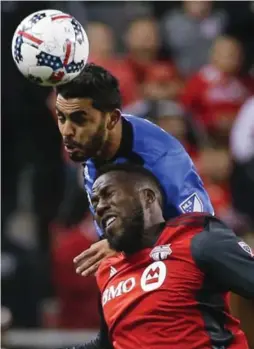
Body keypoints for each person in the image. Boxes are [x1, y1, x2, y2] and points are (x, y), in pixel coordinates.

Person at [63, 163, 254, 349]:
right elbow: (108, 342)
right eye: (94, 202)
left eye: (109, 194)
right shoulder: (107, 271)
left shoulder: (197, 240)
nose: (100, 207)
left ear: (147, 197)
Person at [55, 63, 214, 277]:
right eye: (61, 118)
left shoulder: (162, 160)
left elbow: (200, 231)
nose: (66, 132)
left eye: (79, 119)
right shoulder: (91, 153)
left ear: (111, 119)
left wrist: (122, 246)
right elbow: (111, 239)